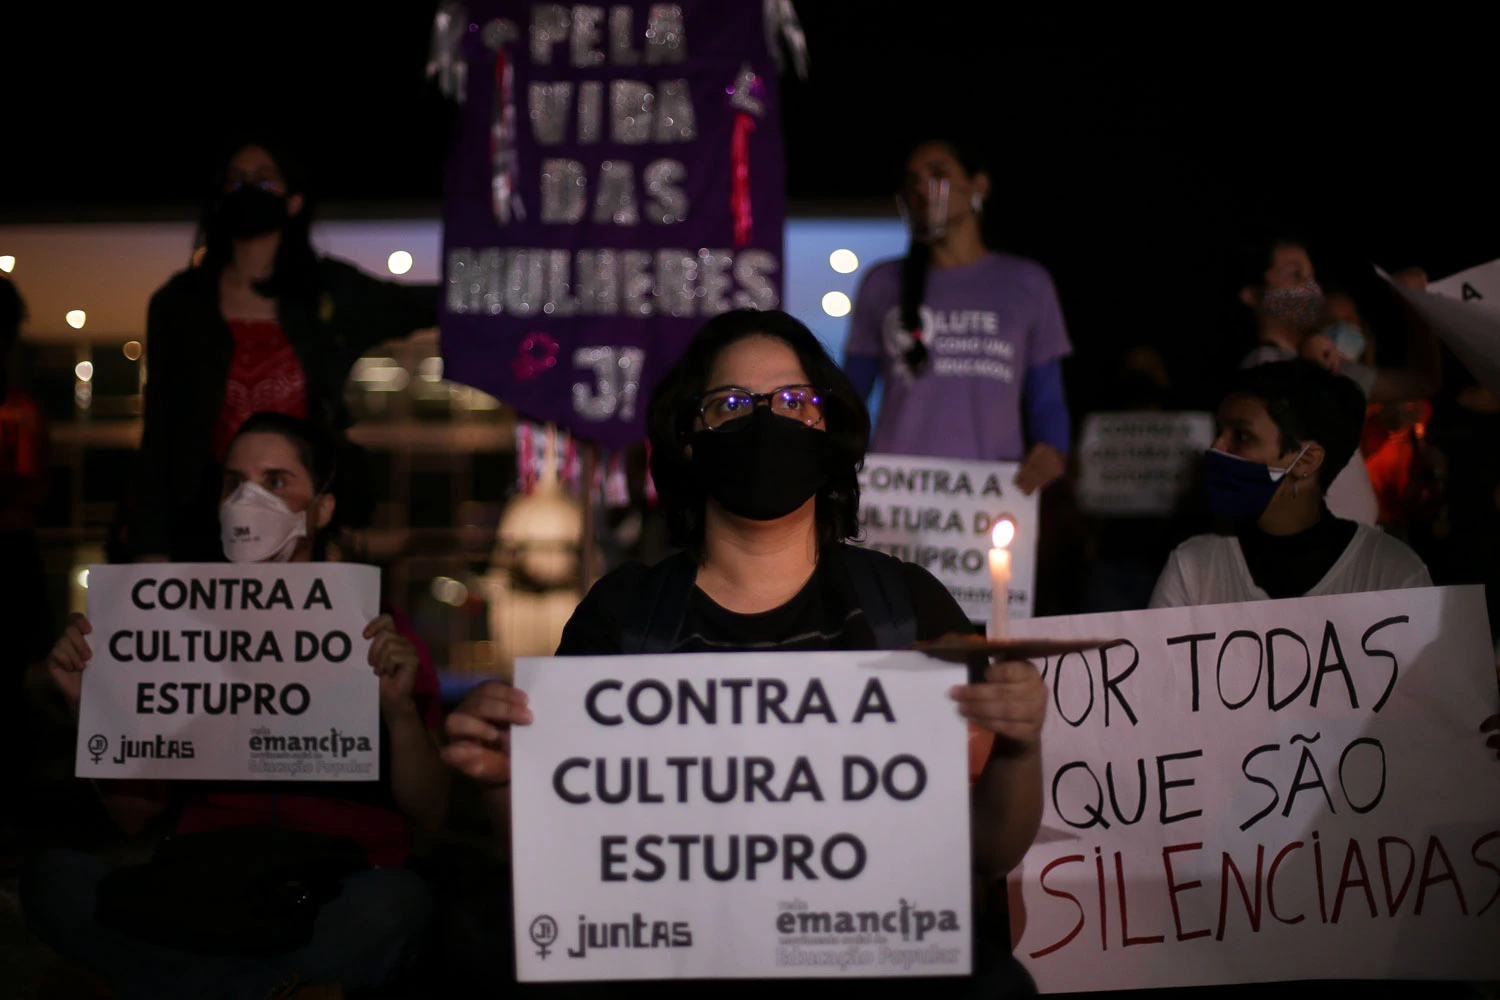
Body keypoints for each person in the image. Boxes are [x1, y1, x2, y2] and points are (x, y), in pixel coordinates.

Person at [443, 309, 1048, 997]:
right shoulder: (624, 619)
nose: (765, 422)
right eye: (729, 404)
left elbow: (991, 851)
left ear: (828, 430)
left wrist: (1021, 745)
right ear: (689, 440)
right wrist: (503, 780)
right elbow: (566, 871)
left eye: (794, 401)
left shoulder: (908, 608)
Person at [23, 411, 449, 999]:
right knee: (53, 879)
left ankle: (184, 986)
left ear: (321, 509)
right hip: (204, 883)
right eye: (233, 483)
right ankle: (277, 991)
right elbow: (132, 816)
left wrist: (399, 712)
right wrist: (87, 707)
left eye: (276, 481)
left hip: (332, 885)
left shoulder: (380, 632)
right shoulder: (174, 628)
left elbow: (431, 817)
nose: (247, 499)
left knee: (399, 903)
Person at [129, 138, 438, 563]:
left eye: (263, 180)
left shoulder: (329, 291)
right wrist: (151, 545)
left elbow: (417, 305)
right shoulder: (180, 305)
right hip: (204, 524)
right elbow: (160, 429)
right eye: (235, 180)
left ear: (294, 201)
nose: (247, 189)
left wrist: (518, 287)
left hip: (300, 526)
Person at [844, 139, 1072, 496]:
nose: (923, 188)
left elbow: (1047, 397)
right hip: (896, 492)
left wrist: (1052, 449)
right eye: (913, 180)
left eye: (938, 174)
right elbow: (850, 394)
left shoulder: (1027, 283)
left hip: (990, 491)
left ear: (978, 185)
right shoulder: (883, 282)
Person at [1150, 360, 1431, 609]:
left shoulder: (1392, 574)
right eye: (1219, 432)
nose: (1216, 447)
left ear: (1306, 460)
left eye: (1242, 436)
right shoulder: (1192, 567)